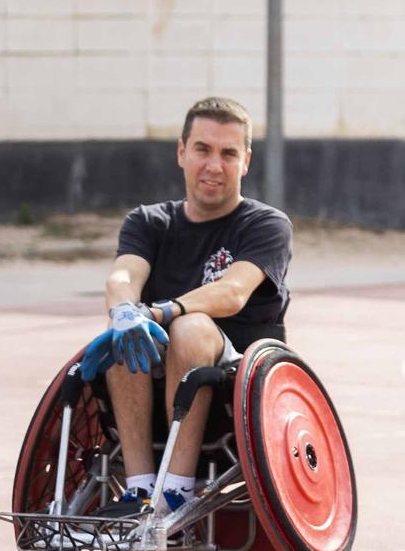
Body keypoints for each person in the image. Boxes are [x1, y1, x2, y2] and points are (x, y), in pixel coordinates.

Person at [80, 96, 291, 516]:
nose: (214, 165)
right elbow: (123, 276)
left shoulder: (266, 224)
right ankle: (139, 491)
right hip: (157, 373)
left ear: (245, 161)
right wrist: (125, 312)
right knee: (125, 336)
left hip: (235, 375)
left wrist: (157, 312)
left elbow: (231, 293)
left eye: (228, 153)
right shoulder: (148, 221)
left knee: (189, 326)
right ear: (181, 152)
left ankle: (176, 491)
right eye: (202, 150)